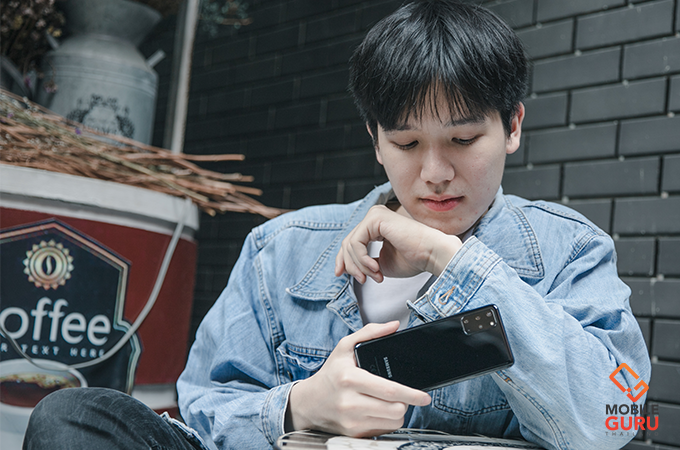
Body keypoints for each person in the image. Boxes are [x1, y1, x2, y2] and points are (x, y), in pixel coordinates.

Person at [23, 1, 650, 450]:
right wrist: (301, 407)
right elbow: (205, 410)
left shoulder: (568, 250)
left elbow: (613, 419)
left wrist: (453, 262)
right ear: (375, 141)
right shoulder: (282, 249)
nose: (435, 173)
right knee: (70, 419)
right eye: (406, 143)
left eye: (463, 139)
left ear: (512, 126)